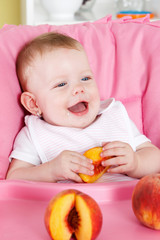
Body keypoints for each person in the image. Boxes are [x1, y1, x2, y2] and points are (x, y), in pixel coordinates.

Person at [6, 32, 160, 183]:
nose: (79, 88)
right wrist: (50, 170)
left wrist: (137, 163)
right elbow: (14, 177)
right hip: (71, 205)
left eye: (85, 78)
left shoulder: (114, 116)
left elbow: (156, 158)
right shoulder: (34, 134)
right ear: (33, 104)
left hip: (128, 203)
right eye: (61, 84)